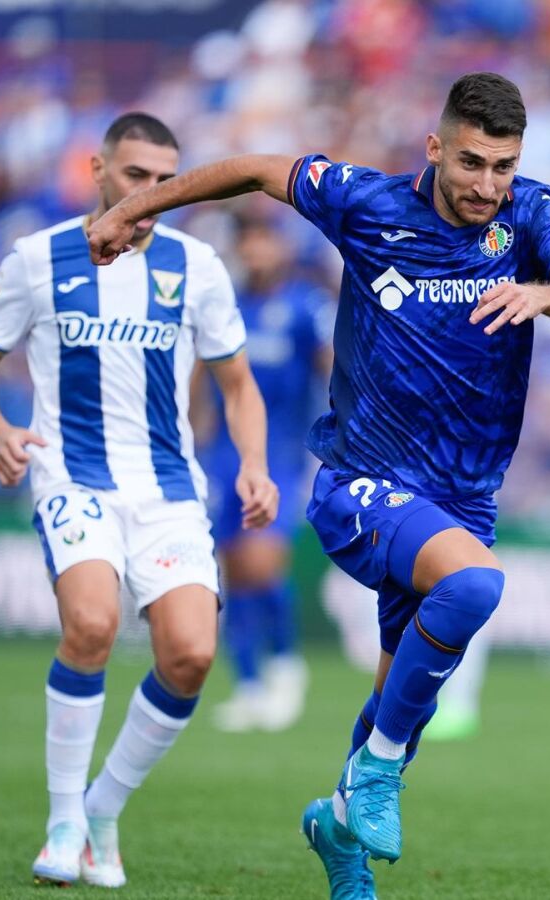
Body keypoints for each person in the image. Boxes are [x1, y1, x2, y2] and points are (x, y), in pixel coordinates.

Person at [89, 72, 550, 899]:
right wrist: (133, 209)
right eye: (472, 162)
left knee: (399, 702)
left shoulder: (528, 215)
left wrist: (542, 294)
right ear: (435, 147)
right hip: (361, 483)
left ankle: (338, 832)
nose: (487, 185)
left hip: (463, 498)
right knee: (475, 587)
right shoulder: (367, 203)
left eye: (504, 167)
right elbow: (257, 170)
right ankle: (369, 775)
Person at [0, 112, 278, 888]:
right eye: (137, 176)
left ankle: (103, 809)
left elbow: (239, 385)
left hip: (168, 488)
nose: (151, 193)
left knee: (191, 654)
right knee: (93, 623)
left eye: (167, 180)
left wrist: (255, 464)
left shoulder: (197, 266)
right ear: (98, 171)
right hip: (74, 477)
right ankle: (65, 820)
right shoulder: (38, 258)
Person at [205, 216, 332, 733]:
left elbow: (333, 369)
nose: (257, 251)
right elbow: (202, 377)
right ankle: (248, 685)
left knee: (262, 565)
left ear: (281, 247)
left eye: (265, 240)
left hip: (280, 454)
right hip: (223, 454)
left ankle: (285, 663)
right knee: (232, 571)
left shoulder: (306, 307)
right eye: (249, 241)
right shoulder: (227, 306)